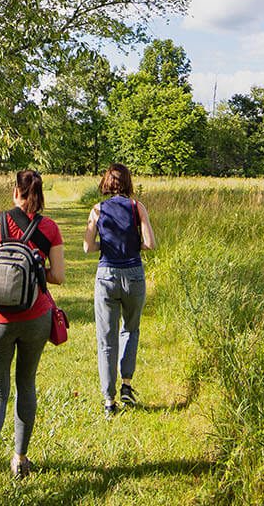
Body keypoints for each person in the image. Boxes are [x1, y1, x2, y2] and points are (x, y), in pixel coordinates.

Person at [0, 169, 65, 505]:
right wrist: (38, 268)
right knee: (26, 385)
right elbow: (60, 276)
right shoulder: (49, 228)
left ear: (15, 193)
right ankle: (20, 460)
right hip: (35, 317)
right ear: (40, 193)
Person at [83, 163, 156, 416]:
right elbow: (150, 243)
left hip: (106, 276)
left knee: (106, 340)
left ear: (106, 182)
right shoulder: (137, 207)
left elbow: (86, 247)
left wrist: (105, 245)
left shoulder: (97, 210)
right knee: (130, 329)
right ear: (128, 182)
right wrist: (133, 243)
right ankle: (126, 384)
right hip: (134, 274)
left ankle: (108, 401)